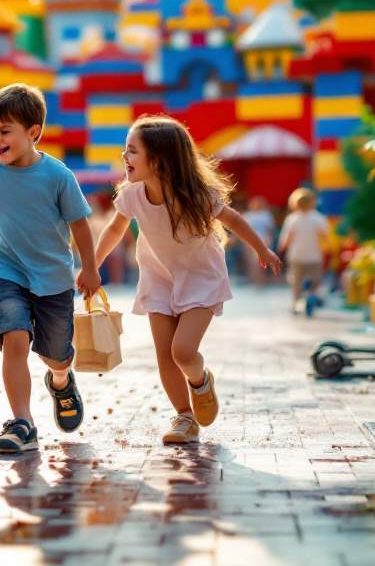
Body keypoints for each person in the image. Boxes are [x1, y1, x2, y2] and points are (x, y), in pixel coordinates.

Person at [93, 115, 281, 445]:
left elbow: (234, 220)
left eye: (133, 151)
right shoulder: (132, 194)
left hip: (200, 278)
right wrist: (92, 265)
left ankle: (200, 381)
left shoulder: (198, 194)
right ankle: (184, 416)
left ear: (161, 159)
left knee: (183, 351)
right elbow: (115, 229)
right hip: (157, 278)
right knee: (164, 355)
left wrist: (261, 249)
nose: (125, 157)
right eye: (126, 150)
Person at [0, 83, 100, 454]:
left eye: (4, 131)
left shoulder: (57, 176)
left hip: (53, 276)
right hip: (5, 269)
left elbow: (80, 225)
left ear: (33, 132)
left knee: (56, 352)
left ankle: (60, 380)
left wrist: (89, 268)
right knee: (14, 338)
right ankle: (22, 422)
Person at [279, 187, 330, 311]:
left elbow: (286, 239)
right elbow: (325, 235)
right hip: (314, 255)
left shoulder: (292, 219)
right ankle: (311, 295)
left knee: (296, 281)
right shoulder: (318, 217)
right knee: (315, 279)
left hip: (296, 255)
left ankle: (295, 303)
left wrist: (281, 250)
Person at [241, 197, 277, 285]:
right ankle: (254, 280)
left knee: (262, 262)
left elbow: (270, 230)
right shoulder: (247, 216)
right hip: (249, 241)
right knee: (252, 263)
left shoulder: (266, 215)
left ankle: (262, 280)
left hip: (264, 240)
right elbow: (242, 231)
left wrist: (268, 241)